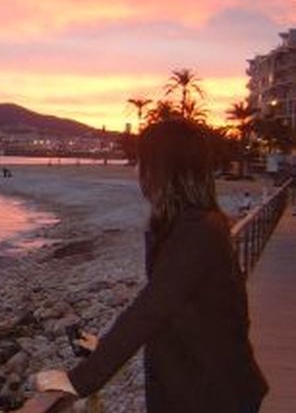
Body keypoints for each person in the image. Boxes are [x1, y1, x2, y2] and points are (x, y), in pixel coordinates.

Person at [34, 119, 268, 412]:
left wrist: (80, 381)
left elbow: (150, 309)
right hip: (210, 385)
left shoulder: (197, 232)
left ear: (163, 170)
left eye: (142, 161)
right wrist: (103, 347)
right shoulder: (192, 223)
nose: (137, 171)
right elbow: (176, 308)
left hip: (213, 395)